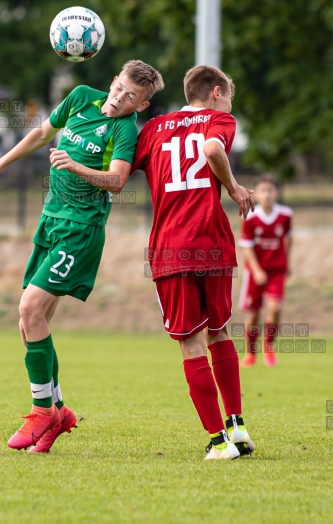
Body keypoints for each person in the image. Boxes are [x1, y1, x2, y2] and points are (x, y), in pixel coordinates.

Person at [0, 60, 164, 453]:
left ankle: (41, 411)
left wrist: (74, 164)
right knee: (31, 323)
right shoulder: (80, 98)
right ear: (113, 82)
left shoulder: (124, 130)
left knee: (30, 309)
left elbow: (115, 181)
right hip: (51, 222)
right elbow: (43, 133)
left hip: (80, 232)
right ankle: (58, 411)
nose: (119, 99)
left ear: (142, 105)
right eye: (119, 89)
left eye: (131, 97)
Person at [132, 65, 255, 460]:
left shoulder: (152, 129)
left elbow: (119, 167)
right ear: (217, 91)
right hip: (213, 241)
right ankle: (237, 427)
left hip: (171, 248)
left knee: (190, 343)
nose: (230, 103)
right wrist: (233, 188)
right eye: (230, 95)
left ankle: (219, 442)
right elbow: (213, 147)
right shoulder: (220, 119)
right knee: (219, 332)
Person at [238, 173, 292, 367]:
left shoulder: (285, 215)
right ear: (256, 195)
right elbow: (246, 246)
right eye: (263, 191)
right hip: (255, 272)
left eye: (270, 190)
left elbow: (288, 239)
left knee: (275, 308)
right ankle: (250, 353)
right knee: (253, 315)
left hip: (277, 270)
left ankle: (269, 346)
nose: (267, 194)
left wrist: (288, 262)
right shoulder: (250, 217)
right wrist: (257, 270)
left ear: (276, 193)